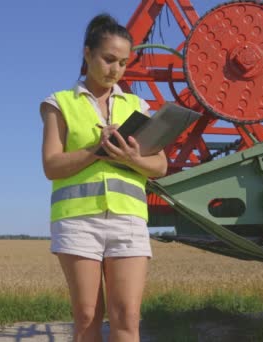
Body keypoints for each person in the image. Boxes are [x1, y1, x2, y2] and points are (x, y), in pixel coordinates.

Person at [40, 13, 168, 342]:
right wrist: (97, 149)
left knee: (127, 318)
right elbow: (51, 166)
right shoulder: (60, 103)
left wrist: (131, 157)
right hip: (78, 222)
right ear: (87, 54)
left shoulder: (137, 106)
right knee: (86, 319)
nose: (116, 70)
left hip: (128, 219)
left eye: (123, 63)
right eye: (109, 59)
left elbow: (161, 166)